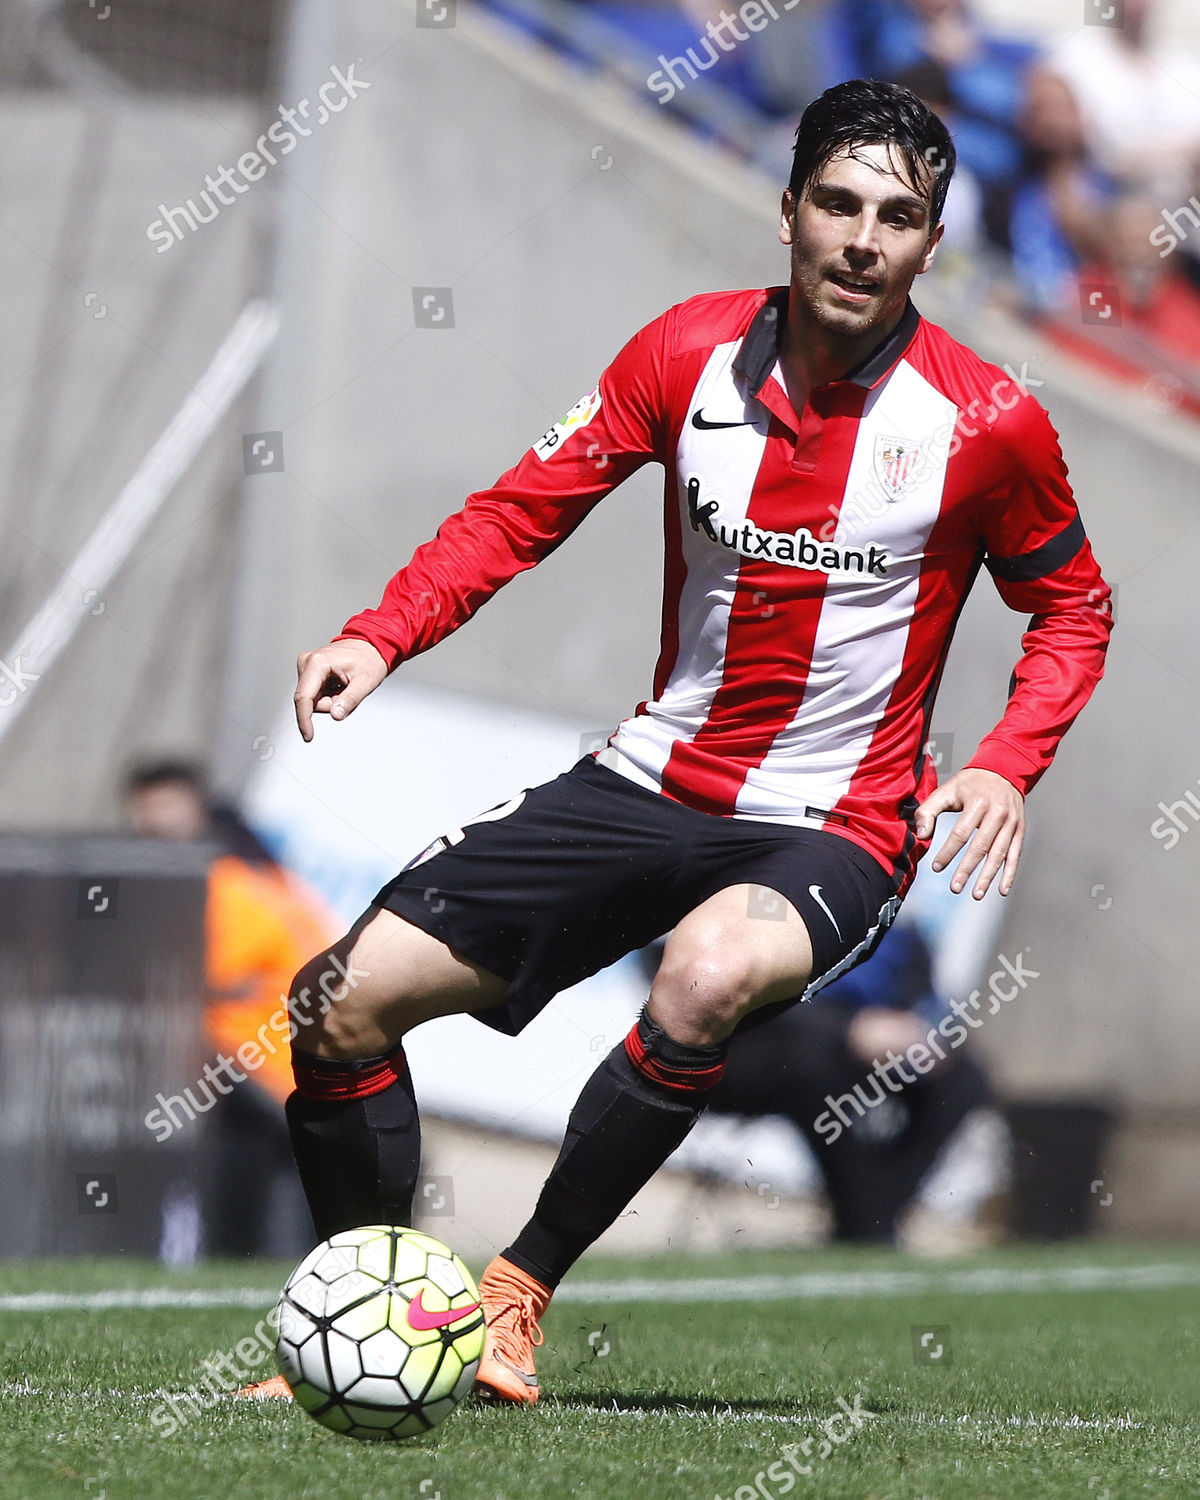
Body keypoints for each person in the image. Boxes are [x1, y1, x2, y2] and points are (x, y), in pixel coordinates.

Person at [247, 79, 1111, 1406]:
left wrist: (1005, 757)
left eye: (900, 217)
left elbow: (1072, 605)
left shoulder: (987, 423)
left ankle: (516, 1296)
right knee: (339, 1003)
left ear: (933, 245)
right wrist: (385, 631)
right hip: (647, 776)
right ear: (787, 211)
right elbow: (524, 506)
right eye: (839, 203)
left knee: (705, 976)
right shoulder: (684, 356)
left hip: (836, 820)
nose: (864, 238)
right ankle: (379, 1316)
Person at [125, 760, 336, 1257]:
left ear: (198, 810)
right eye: (145, 808)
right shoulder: (253, 871)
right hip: (287, 1065)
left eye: (167, 806)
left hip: (263, 1065)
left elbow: (195, 986)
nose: (154, 821)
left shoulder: (224, 884)